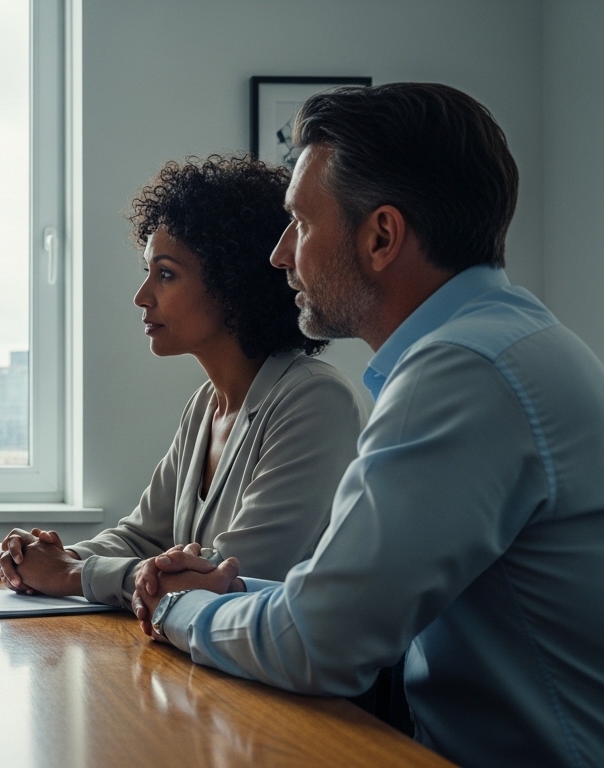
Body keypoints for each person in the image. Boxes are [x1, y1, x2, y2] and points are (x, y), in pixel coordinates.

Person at [134, 83, 604, 766]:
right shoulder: (504, 342)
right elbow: (345, 600)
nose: (280, 255)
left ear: (381, 235)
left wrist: (178, 610)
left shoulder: (464, 372)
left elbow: (317, 645)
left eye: (300, 222)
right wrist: (230, 592)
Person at [0, 156, 364, 609]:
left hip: (274, 674)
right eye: (148, 272)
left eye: (166, 274)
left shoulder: (315, 400)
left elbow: (230, 575)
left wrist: (73, 573)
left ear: (234, 285)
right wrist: (53, 557)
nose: (142, 296)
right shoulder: (205, 406)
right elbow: (142, 536)